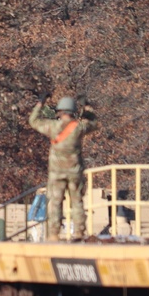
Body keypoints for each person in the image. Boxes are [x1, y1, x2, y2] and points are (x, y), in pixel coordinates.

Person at [29, 93, 98, 241]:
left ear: (59, 111)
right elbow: (93, 123)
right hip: (74, 172)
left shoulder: (52, 127)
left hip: (57, 173)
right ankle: (79, 232)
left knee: (55, 202)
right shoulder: (78, 127)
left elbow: (33, 121)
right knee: (77, 202)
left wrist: (40, 104)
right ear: (73, 111)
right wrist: (87, 107)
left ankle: (54, 234)